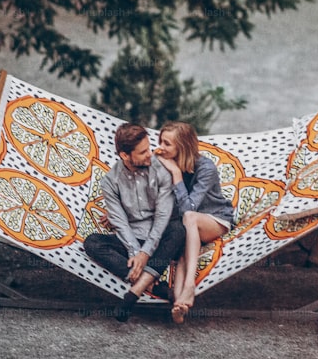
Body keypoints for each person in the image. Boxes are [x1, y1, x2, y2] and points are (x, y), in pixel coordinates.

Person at [83, 122, 185, 322]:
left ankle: (135, 291)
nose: (150, 154)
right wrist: (134, 252)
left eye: (148, 148)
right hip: (133, 239)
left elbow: (162, 217)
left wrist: (145, 253)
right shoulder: (110, 182)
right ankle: (153, 285)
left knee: (179, 229)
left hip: (161, 238)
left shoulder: (161, 169)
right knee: (92, 242)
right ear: (125, 156)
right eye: (142, 152)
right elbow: (120, 223)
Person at [154, 120, 235, 324]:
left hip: (216, 219)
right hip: (188, 226)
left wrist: (176, 174)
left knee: (189, 218)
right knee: (183, 253)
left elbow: (189, 208)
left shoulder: (205, 168)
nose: (161, 148)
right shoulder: (164, 162)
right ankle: (179, 305)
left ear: (182, 146)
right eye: (161, 142)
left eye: (167, 144)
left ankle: (190, 285)